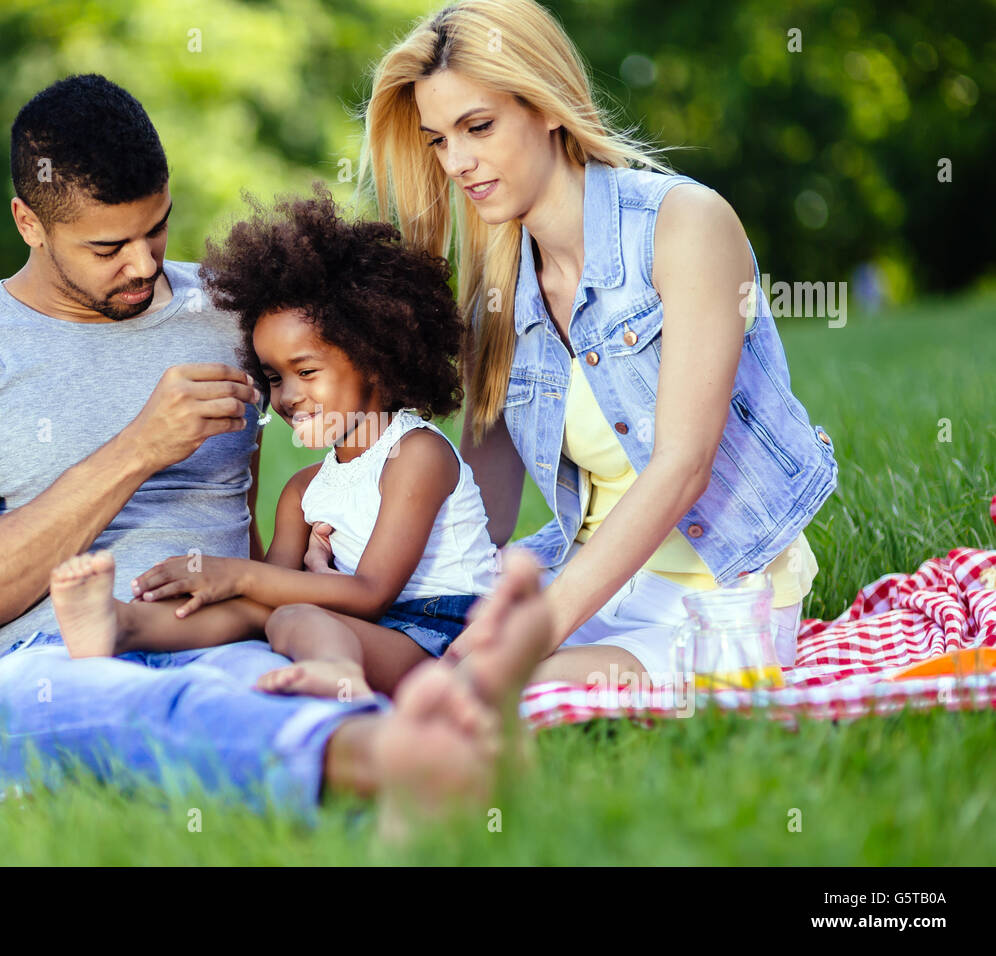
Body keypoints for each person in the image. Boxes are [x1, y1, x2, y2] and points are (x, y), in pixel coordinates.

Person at [0, 72, 545, 825]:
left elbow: (279, 522)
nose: (142, 263)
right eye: (107, 246)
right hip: (46, 668)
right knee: (120, 708)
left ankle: (389, 772)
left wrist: (308, 572)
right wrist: (137, 449)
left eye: (156, 227)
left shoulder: (236, 316)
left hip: (225, 637)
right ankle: (386, 759)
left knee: (249, 690)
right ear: (28, 222)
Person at [359, 0, 838, 689]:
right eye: (438, 140)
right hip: (586, 584)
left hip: (723, 595)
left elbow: (683, 466)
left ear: (548, 106)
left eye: (479, 126)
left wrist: (534, 632)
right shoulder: (497, 291)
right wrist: (398, 582)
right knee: (387, 655)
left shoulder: (684, 225)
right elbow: (483, 509)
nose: (456, 162)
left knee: (479, 690)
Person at [50, 186, 500, 701]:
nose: (288, 396)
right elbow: (270, 592)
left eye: (306, 371)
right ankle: (121, 625)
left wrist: (235, 573)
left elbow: (370, 595)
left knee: (290, 615)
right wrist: (234, 581)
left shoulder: (415, 454)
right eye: (273, 378)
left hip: (446, 640)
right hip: (370, 629)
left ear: (376, 356)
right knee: (268, 612)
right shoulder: (303, 490)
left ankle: (338, 677)